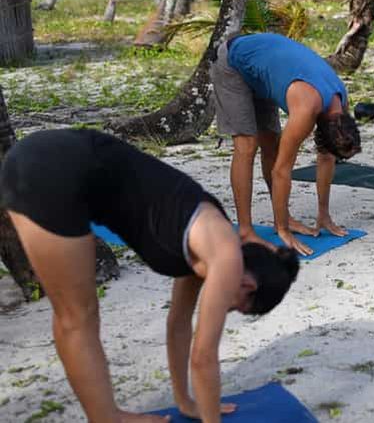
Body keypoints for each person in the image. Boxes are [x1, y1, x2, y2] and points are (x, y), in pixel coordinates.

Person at [0, 129, 299, 423]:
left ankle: (107, 416)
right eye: (236, 307)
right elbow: (203, 359)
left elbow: (179, 326)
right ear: (248, 285)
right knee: (77, 317)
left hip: (44, 160)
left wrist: (186, 402)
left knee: (76, 316)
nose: (226, 307)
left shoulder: (206, 253)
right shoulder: (225, 256)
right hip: (51, 170)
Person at [211, 33, 361, 257]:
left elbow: (327, 157)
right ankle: (245, 231)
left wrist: (323, 214)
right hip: (233, 62)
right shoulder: (306, 109)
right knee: (247, 146)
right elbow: (282, 171)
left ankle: (283, 217)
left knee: (271, 144)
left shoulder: (339, 104)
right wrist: (282, 231)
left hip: (262, 67)